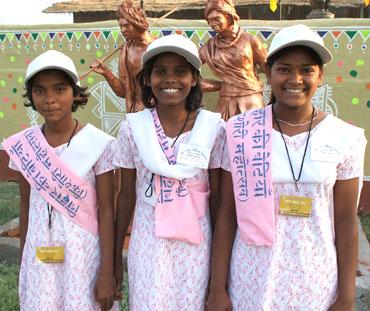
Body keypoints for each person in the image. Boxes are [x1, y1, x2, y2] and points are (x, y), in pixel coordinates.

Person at [206, 24, 367, 310]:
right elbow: (227, 214)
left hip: (315, 278)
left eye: (306, 69)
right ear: (268, 73)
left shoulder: (346, 137)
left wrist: (345, 297)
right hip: (253, 276)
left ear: (320, 76)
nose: (295, 78)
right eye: (284, 69)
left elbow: (345, 222)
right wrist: (218, 288)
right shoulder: (240, 131)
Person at [113, 34, 226, 309]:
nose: (170, 79)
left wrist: (219, 275)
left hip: (196, 248)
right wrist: (116, 259)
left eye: (181, 71)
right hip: (149, 246)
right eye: (159, 72)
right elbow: (126, 197)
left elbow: (219, 202)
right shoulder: (132, 129)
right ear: (148, 79)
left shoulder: (213, 128)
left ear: (195, 79)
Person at [3, 50, 118, 311]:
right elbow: (25, 205)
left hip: (83, 254)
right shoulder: (24, 146)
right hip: (39, 251)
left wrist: (107, 272)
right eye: (40, 91)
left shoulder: (97, 145)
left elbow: (107, 209)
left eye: (59, 89)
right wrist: (25, 260)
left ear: (76, 93)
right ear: (31, 96)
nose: (50, 100)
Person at [199, 0, 267, 120]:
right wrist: (222, 85)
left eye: (216, 18)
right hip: (225, 103)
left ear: (229, 16)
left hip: (251, 101)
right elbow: (188, 73)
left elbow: (270, 71)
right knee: (222, 136)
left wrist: (275, 104)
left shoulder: (251, 41)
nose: (212, 23)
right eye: (209, 20)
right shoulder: (210, 47)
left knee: (252, 136)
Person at [90, 0, 152, 113]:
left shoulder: (157, 48)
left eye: (126, 25)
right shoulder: (126, 50)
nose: (122, 30)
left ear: (137, 22)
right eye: (120, 26)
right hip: (135, 113)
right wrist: (106, 72)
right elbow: (123, 91)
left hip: (160, 114)